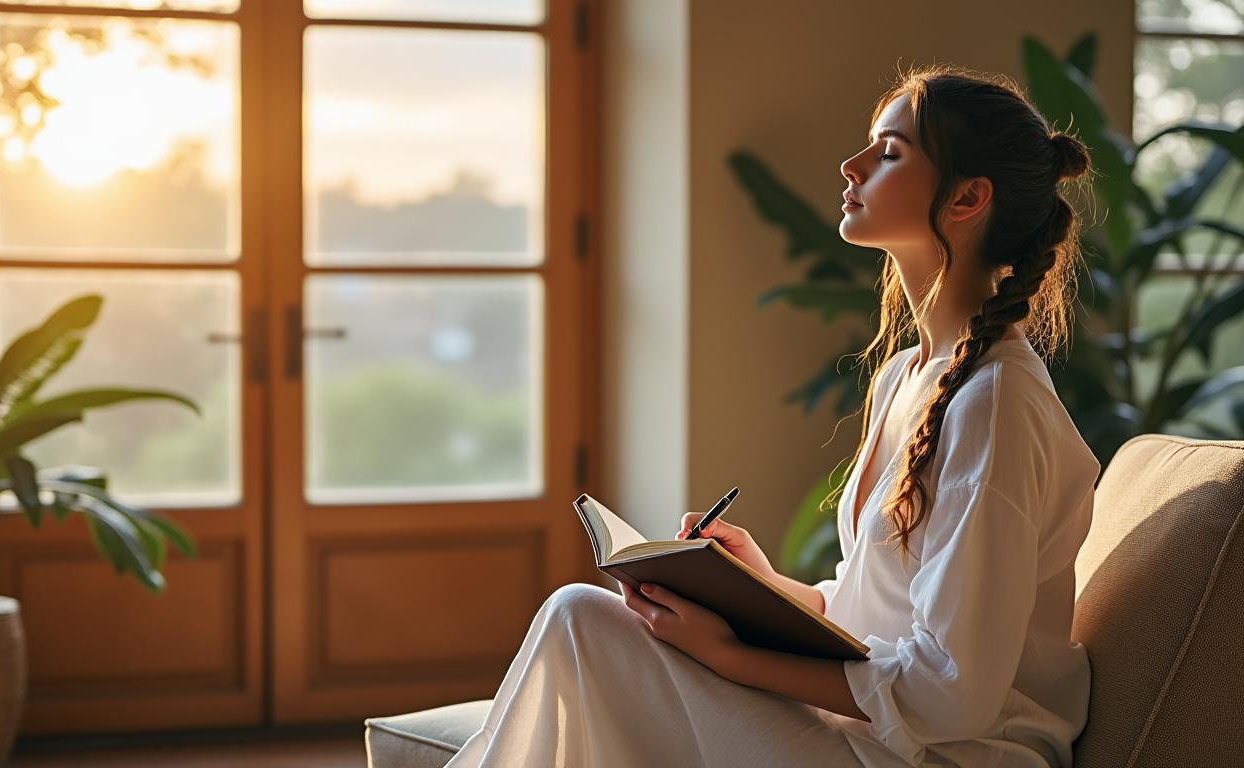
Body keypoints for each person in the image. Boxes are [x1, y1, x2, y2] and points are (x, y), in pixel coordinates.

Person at [444, 63, 1101, 768]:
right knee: (583, 623)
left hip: (941, 758)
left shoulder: (994, 406)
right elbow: (877, 614)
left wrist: (728, 654)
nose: (852, 166)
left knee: (580, 617)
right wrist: (762, 589)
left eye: (889, 153)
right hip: (878, 736)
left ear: (967, 197)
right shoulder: (908, 377)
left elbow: (952, 695)